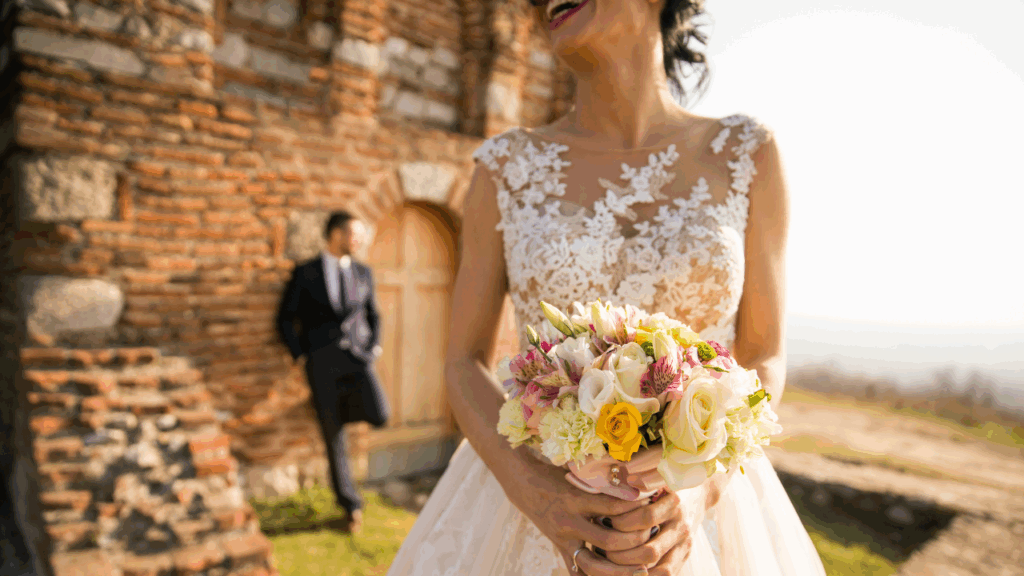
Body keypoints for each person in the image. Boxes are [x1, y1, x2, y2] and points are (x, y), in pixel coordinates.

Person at [386, 0, 828, 574]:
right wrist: (537, 491)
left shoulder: (747, 155)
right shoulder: (505, 169)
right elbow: (463, 361)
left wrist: (701, 491)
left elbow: (764, 355)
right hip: (531, 502)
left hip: (700, 509)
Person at [276, 211, 390, 534]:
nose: (359, 240)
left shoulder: (363, 272)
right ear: (335, 234)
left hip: (358, 361)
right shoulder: (305, 273)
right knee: (333, 436)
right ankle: (350, 505)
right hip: (321, 364)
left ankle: (339, 409)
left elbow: (374, 316)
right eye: (355, 234)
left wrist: (373, 349)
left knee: (380, 413)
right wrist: (301, 355)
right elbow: (285, 318)